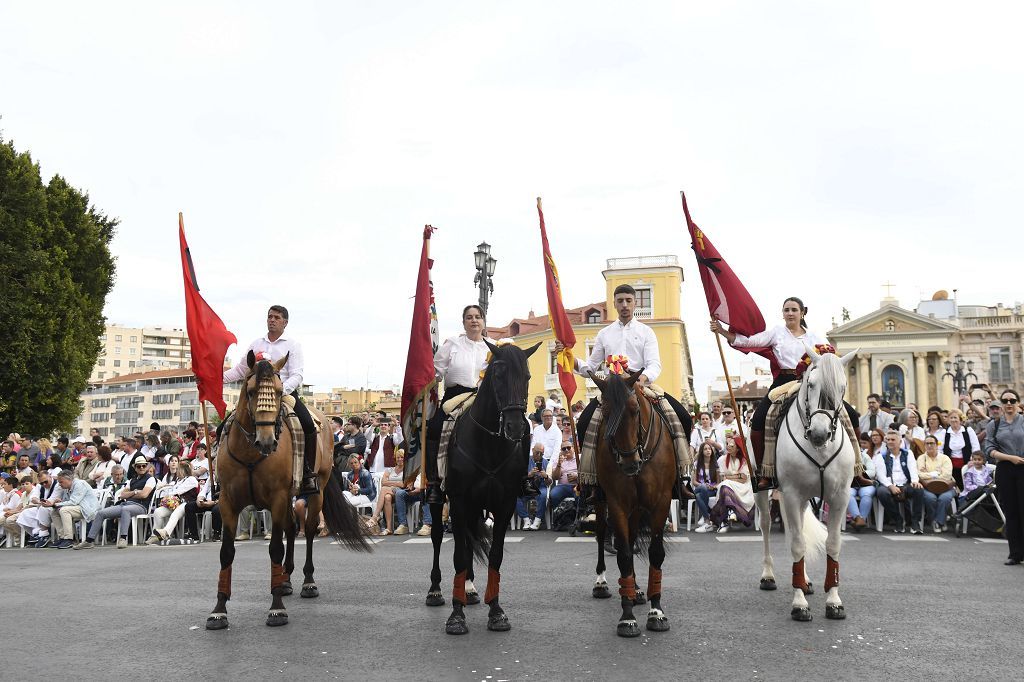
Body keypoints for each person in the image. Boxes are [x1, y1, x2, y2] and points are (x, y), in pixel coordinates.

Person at [564, 284, 693, 497]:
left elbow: (654, 364)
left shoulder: (646, 332)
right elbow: (592, 367)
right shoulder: (604, 334)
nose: (624, 304)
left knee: (683, 418)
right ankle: (592, 482)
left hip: (640, 385)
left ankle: (680, 479)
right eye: (620, 301)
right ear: (614, 303)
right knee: (584, 421)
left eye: (628, 300)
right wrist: (572, 360)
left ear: (635, 303)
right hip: (612, 390)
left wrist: (643, 378)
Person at [711, 296, 830, 489]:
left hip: (809, 382)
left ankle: (856, 469)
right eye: (786, 310)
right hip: (783, 381)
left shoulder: (815, 338)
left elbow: (828, 358)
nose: (790, 313)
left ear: (803, 312)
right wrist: (722, 331)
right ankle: (763, 472)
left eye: (794, 310)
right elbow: (749, 341)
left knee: (845, 412)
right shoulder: (777, 333)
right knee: (758, 420)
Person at [222, 304, 319, 496]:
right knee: (224, 426)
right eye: (269, 317)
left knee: (307, 424)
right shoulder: (256, 343)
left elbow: (297, 375)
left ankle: (307, 473)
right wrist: (216, 378)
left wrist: (281, 391)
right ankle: (221, 474)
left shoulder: (292, 345)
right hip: (255, 397)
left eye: (276, 317)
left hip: (283, 394)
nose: (272, 320)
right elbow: (241, 370)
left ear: (285, 322)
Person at [424, 304, 491, 504]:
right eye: (469, 317)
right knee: (434, 428)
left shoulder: (493, 345)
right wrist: (426, 379)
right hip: (455, 396)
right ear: (463, 322)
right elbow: (436, 371)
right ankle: (435, 482)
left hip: (483, 398)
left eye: (478, 317)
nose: (474, 320)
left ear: (483, 321)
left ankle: (520, 478)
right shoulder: (452, 344)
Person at [75, 459, 156, 549]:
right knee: (101, 513)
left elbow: (144, 495)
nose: (141, 468)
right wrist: (136, 492)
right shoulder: (132, 480)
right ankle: (89, 541)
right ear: (135, 468)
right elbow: (122, 495)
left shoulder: (150, 479)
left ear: (146, 466)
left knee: (126, 510)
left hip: (141, 506)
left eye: (143, 466)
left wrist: (130, 494)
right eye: (139, 466)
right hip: (126, 504)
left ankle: (123, 538)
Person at [984, 390, 1024, 565]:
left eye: (1012, 400)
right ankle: (1015, 554)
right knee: (1011, 512)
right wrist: (1010, 458)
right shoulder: (995, 424)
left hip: (1023, 466)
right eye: (1005, 400)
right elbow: (989, 449)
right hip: (1005, 468)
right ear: (1001, 403)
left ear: (1017, 402)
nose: (1009, 403)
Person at [873, 430, 925, 534]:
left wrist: (915, 481)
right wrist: (890, 486)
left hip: (905, 485)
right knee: (882, 493)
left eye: (893, 440)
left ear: (900, 442)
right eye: (888, 440)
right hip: (889, 485)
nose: (890, 442)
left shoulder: (907, 453)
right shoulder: (881, 456)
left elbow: (913, 468)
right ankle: (898, 520)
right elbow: (880, 475)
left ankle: (915, 523)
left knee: (918, 489)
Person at [146, 461, 200, 544]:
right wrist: (166, 486)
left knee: (176, 512)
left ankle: (166, 532)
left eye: (178, 469)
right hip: (175, 503)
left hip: (186, 503)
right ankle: (155, 536)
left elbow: (179, 491)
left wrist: (169, 492)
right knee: (158, 512)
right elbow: (172, 489)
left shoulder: (191, 479)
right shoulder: (178, 480)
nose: (176, 471)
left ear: (183, 470)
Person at [711, 437, 754, 533]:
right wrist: (732, 477)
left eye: (731, 445)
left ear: (738, 448)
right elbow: (722, 477)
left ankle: (723, 521)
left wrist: (729, 477)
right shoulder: (723, 459)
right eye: (727, 444)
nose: (728, 447)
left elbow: (743, 479)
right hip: (728, 486)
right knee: (724, 487)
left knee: (725, 485)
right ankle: (730, 510)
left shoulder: (744, 460)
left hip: (744, 487)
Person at [49, 471, 100, 549]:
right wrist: (59, 502)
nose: (59, 484)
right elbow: (69, 502)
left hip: (88, 509)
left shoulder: (79, 484)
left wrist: (56, 504)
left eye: (61, 482)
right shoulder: (67, 488)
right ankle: (62, 537)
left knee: (64, 510)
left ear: (69, 479)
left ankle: (69, 539)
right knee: (54, 512)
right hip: (78, 508)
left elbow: (74, 501)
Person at [917, 434, 955, 532]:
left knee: (944, 498)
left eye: (932, 443)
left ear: (937, 445)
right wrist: (936, 474)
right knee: (930, 498)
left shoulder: (945, 458)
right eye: (927, 443)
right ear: (924, 445)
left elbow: (946, 475)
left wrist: (928, 474)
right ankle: (939, 521)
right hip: (927, 487)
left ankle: (938, 522)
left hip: (945, 487)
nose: (929, 446)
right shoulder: (921, 458)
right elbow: (919, 475)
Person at [17, 470, 61, 547]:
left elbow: (53, 499)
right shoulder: (39, 486)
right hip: (43, 505)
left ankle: (44, 534)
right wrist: (38, 501)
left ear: (50, 477)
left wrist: (43, 503)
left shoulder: (57, 484)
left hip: (54, 506)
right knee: (25, 513)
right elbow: (33, 498)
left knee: (43, 509)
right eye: (42, 483)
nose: (44, 484)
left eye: (46, 482)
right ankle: (36, 533)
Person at [370, 449, 407, 535]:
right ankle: (389, 528)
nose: (400, 459)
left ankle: (375, 516)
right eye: (398, 457)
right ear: (395, 458)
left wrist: (391, 483)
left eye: (402, 457)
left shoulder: (407, 469)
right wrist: (396, 483)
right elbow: (383, 482)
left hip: (401, 492)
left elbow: (403, 484)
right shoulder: (390, 470)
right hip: (391, 492)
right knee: (387, 497)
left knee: (384, 489)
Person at [942, 409, 980, 490]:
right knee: (953, 488)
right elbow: (940, 449)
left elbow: (976, 447)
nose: (953, 420)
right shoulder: (944, 432)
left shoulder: (968, 430)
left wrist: (973, 460)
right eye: (951, 418)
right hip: (950, 465)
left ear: (960, 419)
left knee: (968, 487)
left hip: (967, 464)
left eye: (955, 417)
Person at [516, 445, 551, 530]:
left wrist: (545, 476)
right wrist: (529, 475)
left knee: (543, 496)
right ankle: (526, 519)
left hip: (541, 486)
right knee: (516, 496)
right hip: (528, 486)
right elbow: (518, 478)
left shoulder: (546, 462)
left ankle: (537, 521)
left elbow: (549, 483)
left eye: (541, 454)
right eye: (537, 452)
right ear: (532, 450)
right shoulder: (525, 461)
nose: (539, 455)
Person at [848, 435, 877, 530]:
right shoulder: (844, 457)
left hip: (865, 484)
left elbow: (872, 471)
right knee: (848, 494)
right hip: (850, 485)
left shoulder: (864, 456)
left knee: (867, 494)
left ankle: (860, 520)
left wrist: (860, 475)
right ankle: (859, 519)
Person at [691, 442, 720, 533]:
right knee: (702, 488)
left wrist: (712, 486)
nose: (708, 451)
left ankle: (706, 519)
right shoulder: (697, 464)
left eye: (709, 449)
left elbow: (719, 483)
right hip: (699, 488)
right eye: (705, 449)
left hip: (711, 490)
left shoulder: (715, 465)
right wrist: (702, 485)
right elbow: (694, 482)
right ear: (701, 451)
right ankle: (707, 518)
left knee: (699, 496)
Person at [547, 444, 579, 518]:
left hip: (577, 485)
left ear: (573, 448)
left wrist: (577, 476)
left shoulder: (579, 457)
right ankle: (558, 518)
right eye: (564, 449)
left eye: (568, 447)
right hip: (563, 486)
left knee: (580, 496)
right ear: (561, 451)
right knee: (554, 494)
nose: (566, 450)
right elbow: (555, 477)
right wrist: (559, 464)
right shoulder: (558, 460)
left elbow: (586, 472)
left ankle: (577, 518)